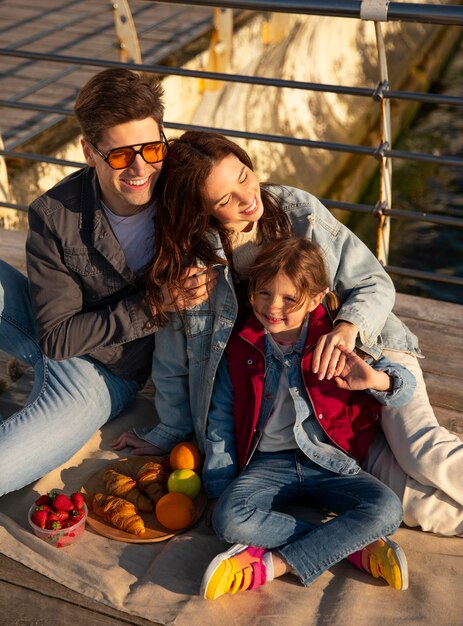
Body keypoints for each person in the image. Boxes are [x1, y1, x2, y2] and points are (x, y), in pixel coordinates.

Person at [113, 130, 463, 537]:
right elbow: (174, 359)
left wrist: (348, 328)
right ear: (200, 210)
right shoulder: (189, 265)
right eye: (225, 199)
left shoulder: (299, 213)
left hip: (366, 358)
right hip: (314, 404)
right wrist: (172, 429)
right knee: (407, 500)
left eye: (244, 175)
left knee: (421, 452)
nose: (248, 198)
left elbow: (374, 283)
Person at [0, 68, 211, 495]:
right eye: (119, 155)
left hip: (102, 377)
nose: (140, 168)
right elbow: (56, 338)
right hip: (51, 333)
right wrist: (154, 306)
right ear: (89, 152)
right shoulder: (54, 212)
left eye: (152, 149)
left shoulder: (185, 192)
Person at [200, 236, 415, 599]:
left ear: (315, 298)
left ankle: (271, 564)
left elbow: (404, 388)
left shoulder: (337, 340)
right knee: (228, 518)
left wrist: (375, 380)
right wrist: (218, 487)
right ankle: (353, 545)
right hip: (267, 465)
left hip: (329, 463)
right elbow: (220, 415)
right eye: (264, 293)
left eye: (289, 299)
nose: (272, 308)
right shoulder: (242, 345)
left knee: (387, 509)